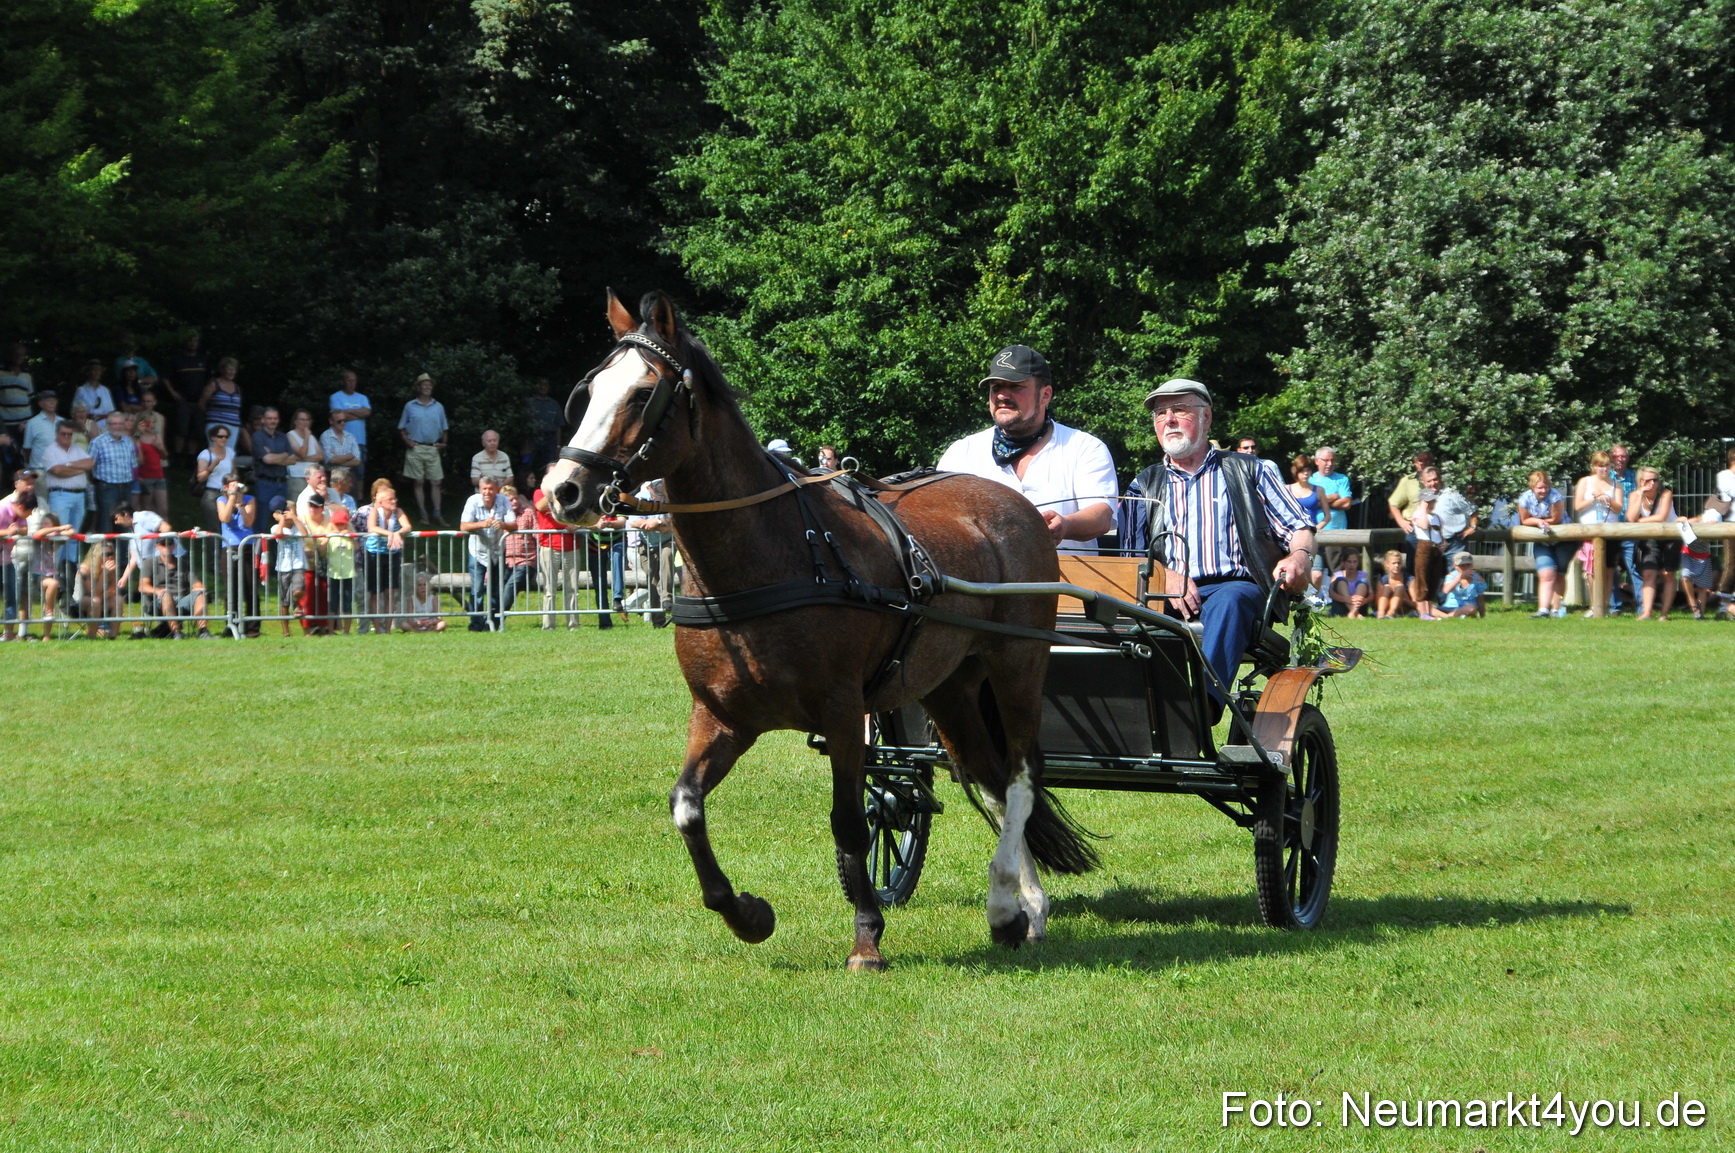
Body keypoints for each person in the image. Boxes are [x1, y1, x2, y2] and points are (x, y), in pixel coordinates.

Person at [1118, 378, 1313, 719]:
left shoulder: (1250, 470)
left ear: (1206, 417)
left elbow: (1298, 526)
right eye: (1160, 413)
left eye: (1179, 410)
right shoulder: (1143, 484)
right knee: (1129, 618)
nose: (1169, 420)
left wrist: (1299, 557)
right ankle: (1141, 715)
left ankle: (1201, 708)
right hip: (1166, 592)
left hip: (1236, 587)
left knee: (1230, 600)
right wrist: (1167, 578)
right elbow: (1131, 559)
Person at [936, 345, 1116, 552]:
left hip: (1067, 581)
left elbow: (1101, 516)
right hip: (983, 583)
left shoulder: (1084, 448)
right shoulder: (962, 453)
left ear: (1045, 395)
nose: (1002, 396)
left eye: (1015, 386)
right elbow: (939, 517)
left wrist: (1065, 525)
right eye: (996, 388)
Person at [1573, 450, 1627, 616]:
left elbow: (1618, 508)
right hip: (1590, 531)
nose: (1604, 469)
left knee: (1609, 569)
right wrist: (1594, 499)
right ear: (1594, 467)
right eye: (1600, 466)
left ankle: (1603, 605)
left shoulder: (1616, 484)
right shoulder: (1585, 482)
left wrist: (1607, 498)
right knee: (1592, 569)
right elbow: (1578, 506)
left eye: (1607, 466)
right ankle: (1593, 605)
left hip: (1610, 530)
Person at [460, 474, 512, 630]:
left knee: (496, 588)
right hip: (478, 551)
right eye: (484, 489)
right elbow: (463, 526)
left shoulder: (504, 500)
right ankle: (476, 624)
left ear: (496, 489)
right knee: (477, 589)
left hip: (497, 551)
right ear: (479, 489)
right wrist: (482, 524)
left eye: (491, 489)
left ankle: (494, 622)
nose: (487, 492)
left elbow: (514, 524)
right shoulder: (472, 501)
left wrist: (502, 523)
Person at [139, 529, 211, 639]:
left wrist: (199, 589)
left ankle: (203, 631)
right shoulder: (149, 563)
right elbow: (143, 586)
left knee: (200, 594)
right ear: (157, 546)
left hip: (182, 600)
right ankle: (176, 632)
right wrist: (157, 591)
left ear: (174, 546)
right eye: (163, 544)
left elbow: (196, 584)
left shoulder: (184, 564)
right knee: (166, 595)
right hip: (158, 601)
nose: (167, 547)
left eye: (170, 543)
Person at [1627, 467, 1678, 621]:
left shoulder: (1665, 494)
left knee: (1668, 575)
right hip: (1650, 536)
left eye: (1655, 480)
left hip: (1671, 535)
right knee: (1649, 573)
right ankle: (1646, 612)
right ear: (1640, 481)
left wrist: (1640, 521)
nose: (1652, 483)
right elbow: (1630, 517)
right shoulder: (1635, 495)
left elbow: (1661, 516)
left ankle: (1664, 613)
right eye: (1648, 480)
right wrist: (1640, 494)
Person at [1516, 469, 1568, 618]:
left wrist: (1542, 522)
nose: (1543, 490)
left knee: (1559, 574)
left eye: (1545, 487)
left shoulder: (1555, 496)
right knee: (1546, 573)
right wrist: (1538, 521)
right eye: (1539, 487)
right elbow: (1524, 520)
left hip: (1562, 539)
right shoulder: (1524, 498)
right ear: (1533, 487)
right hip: (1542, 539)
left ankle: (1558, 609)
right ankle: (1543, 609)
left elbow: (1556, 519)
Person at [398, 372, 448, 524]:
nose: (427, 387)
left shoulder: (438, 407)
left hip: (433, 448)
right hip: (415, 449)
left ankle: (437, 513)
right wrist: (407, 441)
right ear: (418, 387)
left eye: (430, 384)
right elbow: (401, 428)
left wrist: (444, 443)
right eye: (424, 384)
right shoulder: (410, 406)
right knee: (418, 482)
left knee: (436, 482)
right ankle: (423, 513)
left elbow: (445, 428)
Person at [38, 423, 93, 557]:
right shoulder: (50, 450)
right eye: (63, 433)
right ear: (57, 434)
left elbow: (91, 463)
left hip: (79, 495)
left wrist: (69, 464)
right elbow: (57, 471)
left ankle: (71, 567)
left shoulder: (76, 449)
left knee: (74, 533)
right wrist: (80, 469)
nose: (67, 436)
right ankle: (56, 568)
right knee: (58, 533)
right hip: (60, 494)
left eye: (69, 434)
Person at [626, 477, 675, 628]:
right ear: (650, 489)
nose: (659, 498)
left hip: (667, 540)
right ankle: (658, 621)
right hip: (647, 545)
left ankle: (667, 599)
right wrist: (647, 523)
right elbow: (633, 521)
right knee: (653, 581)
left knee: (667, 556)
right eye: (657, 494)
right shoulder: (640, 499)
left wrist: (658, 522)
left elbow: (671, 524)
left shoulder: (668, 497)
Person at [533, 480, 581, 629]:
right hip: (549, 545)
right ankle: (548, 625)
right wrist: (554, 491)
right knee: (549, 588)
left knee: (572, 587)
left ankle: (573, 625)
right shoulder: (540, 493)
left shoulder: (571, 493)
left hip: (571, 545)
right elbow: (540, 507)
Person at [364, 485, 410, 632]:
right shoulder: (375, 511)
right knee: (375, 593)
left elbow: (407, 526)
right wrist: (389, 533)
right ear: (382, 502)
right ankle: (378, 628)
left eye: (394, 498)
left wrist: (397, 533)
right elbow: (371, 527)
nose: (394, 501)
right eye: (390, 499)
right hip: (374, 554)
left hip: (392, 555)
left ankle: (388, 628)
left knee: (390, 592)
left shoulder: (398, 511)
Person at [217, 476, 259, 637]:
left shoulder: (249, 499)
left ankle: (253, 628)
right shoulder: (221, 500)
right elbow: (224, 518)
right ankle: (231, 625)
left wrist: (240, 503)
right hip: (229, 547)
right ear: (226, 487)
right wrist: (231, 498)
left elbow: (248, 522)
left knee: (250, 588)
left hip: (247, 546)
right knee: (231, 588)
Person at [0, 470, 37, 641]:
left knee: (11, 598)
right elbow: (9, 531)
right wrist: (7, 531)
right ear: (22, 507)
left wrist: (18, 529)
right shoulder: (2, 508)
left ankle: (8, 634)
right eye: (28, 513)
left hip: (6, 560)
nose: (28, 517)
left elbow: (25, 529)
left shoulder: (20, 512)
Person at [88, 410, 139, 532]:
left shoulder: (128, 442)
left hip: (126, 486)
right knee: (105, 522)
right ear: (107, 425)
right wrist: (96, 482)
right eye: (114, 423)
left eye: (120, 423)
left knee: (124, 522)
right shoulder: (97, 442)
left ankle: (122, 551)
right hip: (106, 487)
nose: (117, 426)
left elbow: (132, 465)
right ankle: (104, 550)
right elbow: (89, 466)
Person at [1386, 449, 1435, 573]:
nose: (1423, 463)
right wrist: (1401, 521)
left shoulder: (1438, 480)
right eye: (1420, 460)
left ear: (1432, 461)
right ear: (1415, 463)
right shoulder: (1408, 481)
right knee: (1413, 566)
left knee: (1434, 566)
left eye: (1426, 460)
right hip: (1414, 529)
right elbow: (1394, 503)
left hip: (1435, 527)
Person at [163, 332, 210, 458]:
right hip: (183, 399)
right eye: (190, 341)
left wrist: (205, 397)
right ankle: (178, 457)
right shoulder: (177, 359)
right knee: (181, 430)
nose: (193, 343)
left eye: (195, 341)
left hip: (199, 400)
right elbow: (166, 378)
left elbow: (209, 380)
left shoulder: (203, 359)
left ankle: (190, 458)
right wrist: (173, 393)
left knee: (196, 431)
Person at [268, 496, 308, 635]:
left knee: (298, 590)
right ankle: (286, 630)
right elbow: (278, 534)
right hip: (283, 566)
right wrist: (282, 520)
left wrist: (295, 519)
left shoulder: (298, 525)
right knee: (284, 600)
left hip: (298, 564)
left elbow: (304, 534)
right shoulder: (276, 527)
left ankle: (297, 605)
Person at [1608, 442, 1641, 607]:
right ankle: (1615, 606)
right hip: (1611, 528)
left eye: (1623, 456)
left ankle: (1642, 605)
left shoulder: (1635, 477)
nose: (1619, 459)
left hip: (1630, 528)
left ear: (1627, 458)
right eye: (1616, 456)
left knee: (1633, 568)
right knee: (1611, 569)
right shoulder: (1606, 478)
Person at [329, 369, 372, 487]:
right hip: (341, 441)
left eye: (354, 381)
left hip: (359, 441)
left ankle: (360, 499)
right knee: (341, 472)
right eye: (349, 380)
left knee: (359, 473)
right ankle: (339, 497)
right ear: (343, 381)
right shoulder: (335, 397)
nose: (352, 383)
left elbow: (367, 412)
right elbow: (338, 417)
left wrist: (348, 411)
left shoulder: (362, 397)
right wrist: (358, 413)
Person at [500, 484, 538, 614]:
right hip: (507, 561)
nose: (515, 501)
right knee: (498, 586)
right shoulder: (501, 516)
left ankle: (496, 620)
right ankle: (491, 616)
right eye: (510, 500)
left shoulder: (527, 512)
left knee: (511, 586)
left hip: (526, 561)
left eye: (515, 498)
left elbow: (538, 535)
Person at [77, 536, 124, 638]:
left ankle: (113, 636)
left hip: (101, 599)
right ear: (97, 555)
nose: (110, 557)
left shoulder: (111, 568)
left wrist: (108, 574)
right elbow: (93, 593)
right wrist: (104, 574)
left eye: (112, 554)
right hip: (81, 602)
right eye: (106, 554)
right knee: (95, 601)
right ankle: (92, 635)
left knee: (118, 600)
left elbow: (114, 590)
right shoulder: (85, 569)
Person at [249, 407, 291, 515]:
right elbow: (267, 460)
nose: (273, 421)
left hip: (282, 483)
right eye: (269, 418)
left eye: (275, 418)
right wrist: (284, 454)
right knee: (262, 518)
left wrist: (273, 457)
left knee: (282, 518)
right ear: (263, 420)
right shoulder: (257, 437)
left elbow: (293, 459)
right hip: (264, 483)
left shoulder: (283, 437)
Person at [195, 426, 236, 531]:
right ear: (213, 438)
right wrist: (212, 466)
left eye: (226, 437)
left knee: (229, 525)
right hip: (211, 495)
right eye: (220, 436)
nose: (224, 439)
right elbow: (200, 478)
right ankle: (214, 547)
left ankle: (227, 547)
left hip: (228, 493)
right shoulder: (205, 454)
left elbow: (234, 473)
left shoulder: (230, 452)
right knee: (215, 527)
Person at [0, 344, 32, 466]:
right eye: (16, 354)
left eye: (22, 355)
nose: (19, 357)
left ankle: (26, 482)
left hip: (25, 424)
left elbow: (30, 398)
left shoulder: (27, 374)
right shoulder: (1, 372)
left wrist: (29, 421)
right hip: (6, 423)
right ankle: (9, 483)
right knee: (8, 455)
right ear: (10, 355)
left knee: (25, 454)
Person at [525, 377, 563, 475]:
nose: (543, 387)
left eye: (545, 384)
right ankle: (524, 486)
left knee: (549, 466)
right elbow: (524, 424)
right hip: (532, 439)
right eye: (540, 384)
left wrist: (558, 446)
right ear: (536, 386)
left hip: (549, 440)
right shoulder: (530, 402)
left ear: (549, 387)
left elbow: (558, 426)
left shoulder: (554, 404)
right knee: (526, 462)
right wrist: (524, 443)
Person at [200, 356, 243, 439]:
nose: (232, 372)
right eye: (229, 369)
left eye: (234, 369)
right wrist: (211, 416)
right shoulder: (213, 385)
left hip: (234, 425)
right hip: (216, 425)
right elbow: (201, 403)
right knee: (216, 451)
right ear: (222, 370)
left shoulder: (237, 388)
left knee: (229, 451)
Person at [1438, 551, 1488, 617]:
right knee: (1428, 607)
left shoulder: (1477, 578)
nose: (1465, 568)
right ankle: (1449, 616)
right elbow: (1446, 590)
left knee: (1471, 609)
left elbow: (1480, 598)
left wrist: (1482, 615)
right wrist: (1459, 578)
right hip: (1450, 606)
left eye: (1468, 565)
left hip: (1468, 606)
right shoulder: (1451, 576)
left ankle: (1446, 616)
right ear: (1455, 566)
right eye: (1462, 565)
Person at [22, 389, 61, 472]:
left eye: (54, 400)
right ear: (40, 404)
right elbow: (27, 448)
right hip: (39, 470)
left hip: (60, 469)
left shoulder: (63, 422)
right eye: (48, 400)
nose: (52, 402)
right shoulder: (32, 423)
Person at [319, 410, 361, 484]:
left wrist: (338, 459)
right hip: (332, 476)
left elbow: (357, 461)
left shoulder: (350, 437)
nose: (342, 423)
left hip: (349, 475)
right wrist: (349, 456)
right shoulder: (325, 437)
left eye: (344, 420)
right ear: (331, 421)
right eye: (339, 421)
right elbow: (331, 460)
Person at [1374, 548, 1415, 618]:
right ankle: (1381, 614)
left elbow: (1416, 603)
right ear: (1387, 564)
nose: (1397, 566)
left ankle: (1391, 613)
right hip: (1386, 606)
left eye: (1398, 563)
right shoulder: (1383, 580)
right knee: (1387, 587)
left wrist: (1404, 600)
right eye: (1394, 563)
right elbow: (1377, 602)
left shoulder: (1410, 579)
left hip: (1405, 609)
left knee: (1399, 587)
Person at [1329, 551, 1371, 618]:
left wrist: (1364, 600)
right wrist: (1348, 599)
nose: (1352, 565)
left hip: (1360, 606)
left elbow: (1371, 595)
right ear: (1343, 563)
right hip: (1341, 607)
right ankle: (1355, 613)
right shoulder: (1337, 575)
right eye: (1349, 562)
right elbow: (1331, 594)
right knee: (1341, 580)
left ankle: (1353, 612)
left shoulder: (1364, 575)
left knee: (1363, 582)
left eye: (1355, 562)